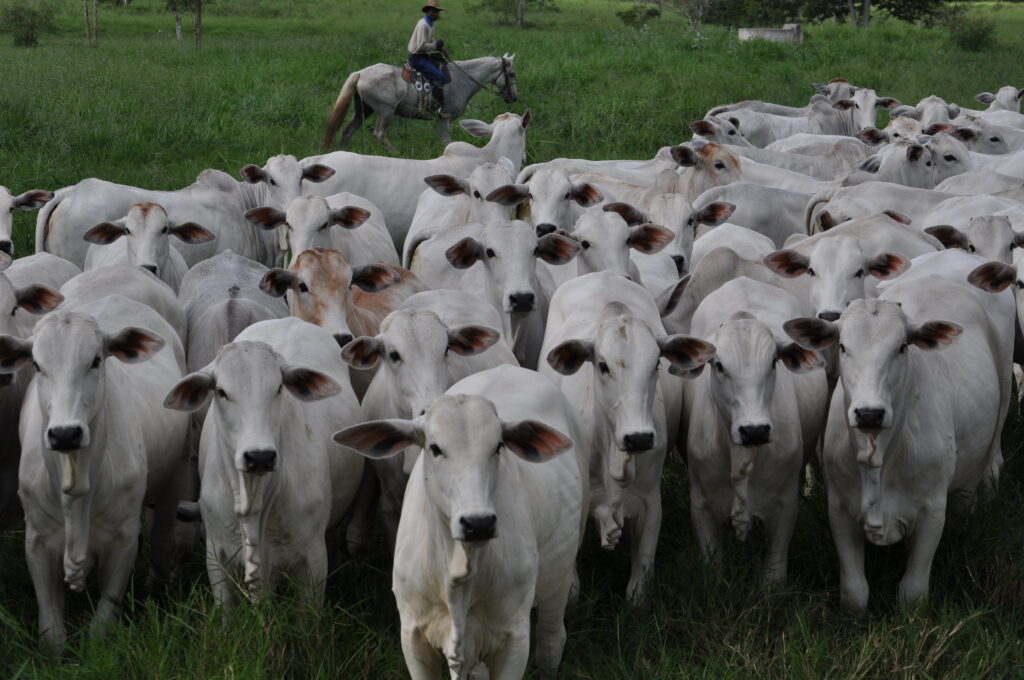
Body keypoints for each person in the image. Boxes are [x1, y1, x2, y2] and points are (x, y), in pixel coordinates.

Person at [407, 0, 450, 111]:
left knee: (443, 66)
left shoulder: (430, 23)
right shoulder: (423, 25)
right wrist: (436, 45)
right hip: (417, 57)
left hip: (423, 56)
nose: (437, 14)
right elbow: (421, 46)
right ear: (430, 11)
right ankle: (435, 106)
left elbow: (431, 40)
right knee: (440, 77)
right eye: (436, 12)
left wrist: (441, 49)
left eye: (438, 12)